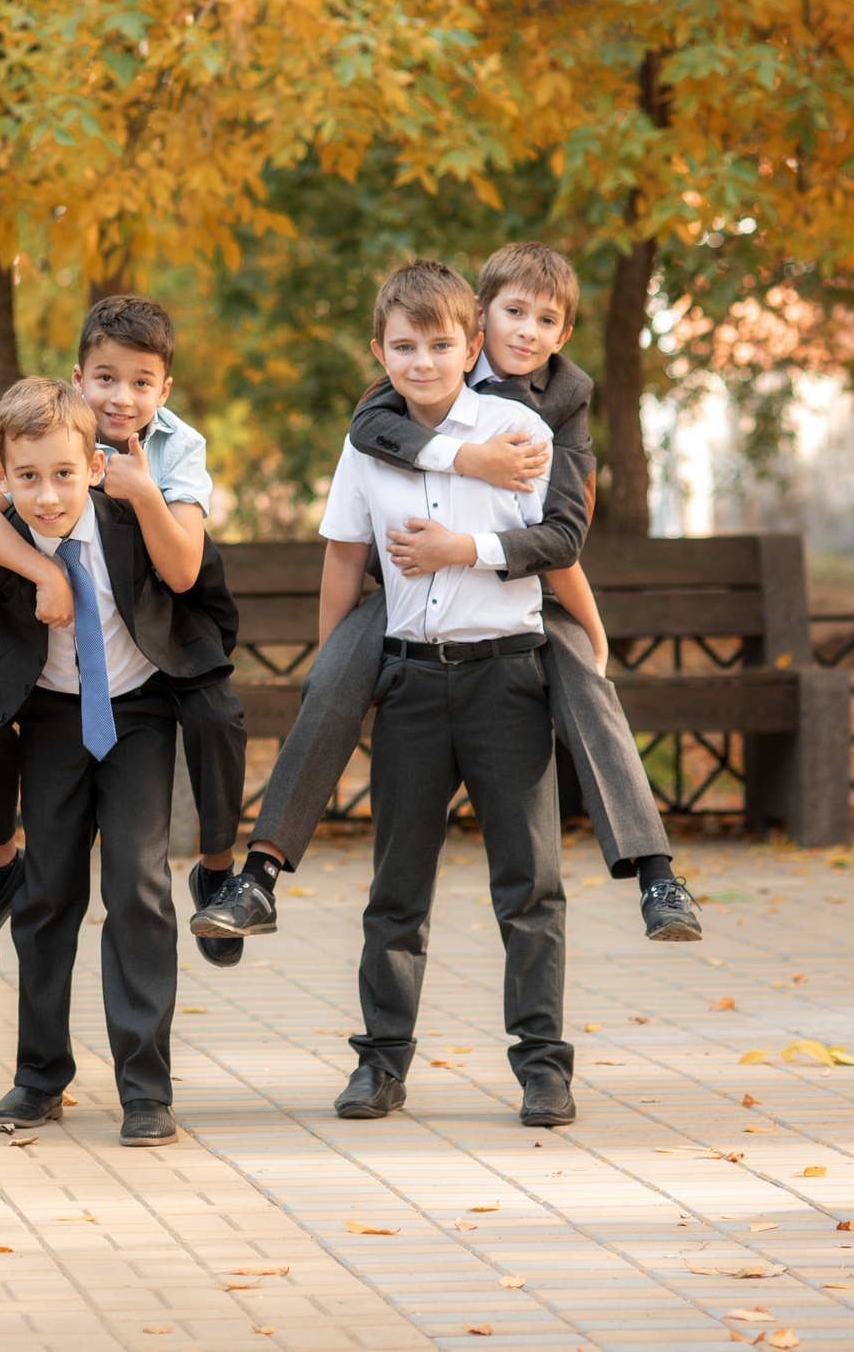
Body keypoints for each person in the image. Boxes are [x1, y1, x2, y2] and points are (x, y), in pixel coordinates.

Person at [195, 242, 701, 944]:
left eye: (544, 319)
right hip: (405, 593)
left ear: (563, 334)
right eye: (512, 312)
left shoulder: (563, 397)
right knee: (332, 673)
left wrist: (589, 621)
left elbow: (564, 536)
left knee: (584, 672)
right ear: (481, 319)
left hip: (516, 590)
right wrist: (468, 456)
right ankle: (262, 871)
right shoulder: (424, 361)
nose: (526, 331)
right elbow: (369, 428)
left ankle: (656, 873)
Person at [222, 260, 576, 1126]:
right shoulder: (367, 440)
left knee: (529, 882)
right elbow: (344, 559)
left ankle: (543, 1066)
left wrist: (469, 552)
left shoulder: (518, 428)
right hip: (412, 680)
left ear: (471, 346)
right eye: (405, 346)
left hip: (507, 675)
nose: (422, 361)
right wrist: (338, 671)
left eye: (441, 344)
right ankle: (380, 1062)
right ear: (378, 351)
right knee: (396, 884)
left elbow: (552, 540)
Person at [0, 377, 240, 1147]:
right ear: (1, 477)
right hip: (47, 720)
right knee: (47, 893)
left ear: (93, 467)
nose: (46, 496)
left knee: (137, 885)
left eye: (64, 474)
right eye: (27, 478)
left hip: (135, 713)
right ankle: (40, 1074)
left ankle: (145, 1086)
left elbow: (198, 584)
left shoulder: (132, 520)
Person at [0, 297, 249, 969]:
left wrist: (141, 491)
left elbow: (183, 570)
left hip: (158, 633)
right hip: (56, 656)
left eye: (142, 383)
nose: (122, 397)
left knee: (217, 713)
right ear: (78, 379)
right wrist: (41, 574)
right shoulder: (53, 432)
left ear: (164, 391)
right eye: (106, 377)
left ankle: (220, 868)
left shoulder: (177, 445)